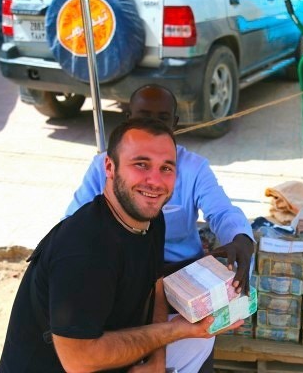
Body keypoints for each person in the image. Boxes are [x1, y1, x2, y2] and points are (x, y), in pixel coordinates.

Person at [0, 118, 242, 372]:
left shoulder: (150, 217)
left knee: (198, 343)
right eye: (141, 164)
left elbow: (155, 285)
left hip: (107, 346)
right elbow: (79, 360)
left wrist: (157, 360)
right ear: (109, 167)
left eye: (166, 168)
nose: (155, 181)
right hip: (71, 363)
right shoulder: (84, 249)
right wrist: (176, 329)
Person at [65, 84, 255, 295]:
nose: (152, 126)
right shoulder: (105, 164)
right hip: (121, 272)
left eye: (166, 169)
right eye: (140, 165)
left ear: (174, 124)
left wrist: (241, 237)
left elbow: (221, 212)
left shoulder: (193, 167)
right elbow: (74, 221)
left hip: (181, 271)